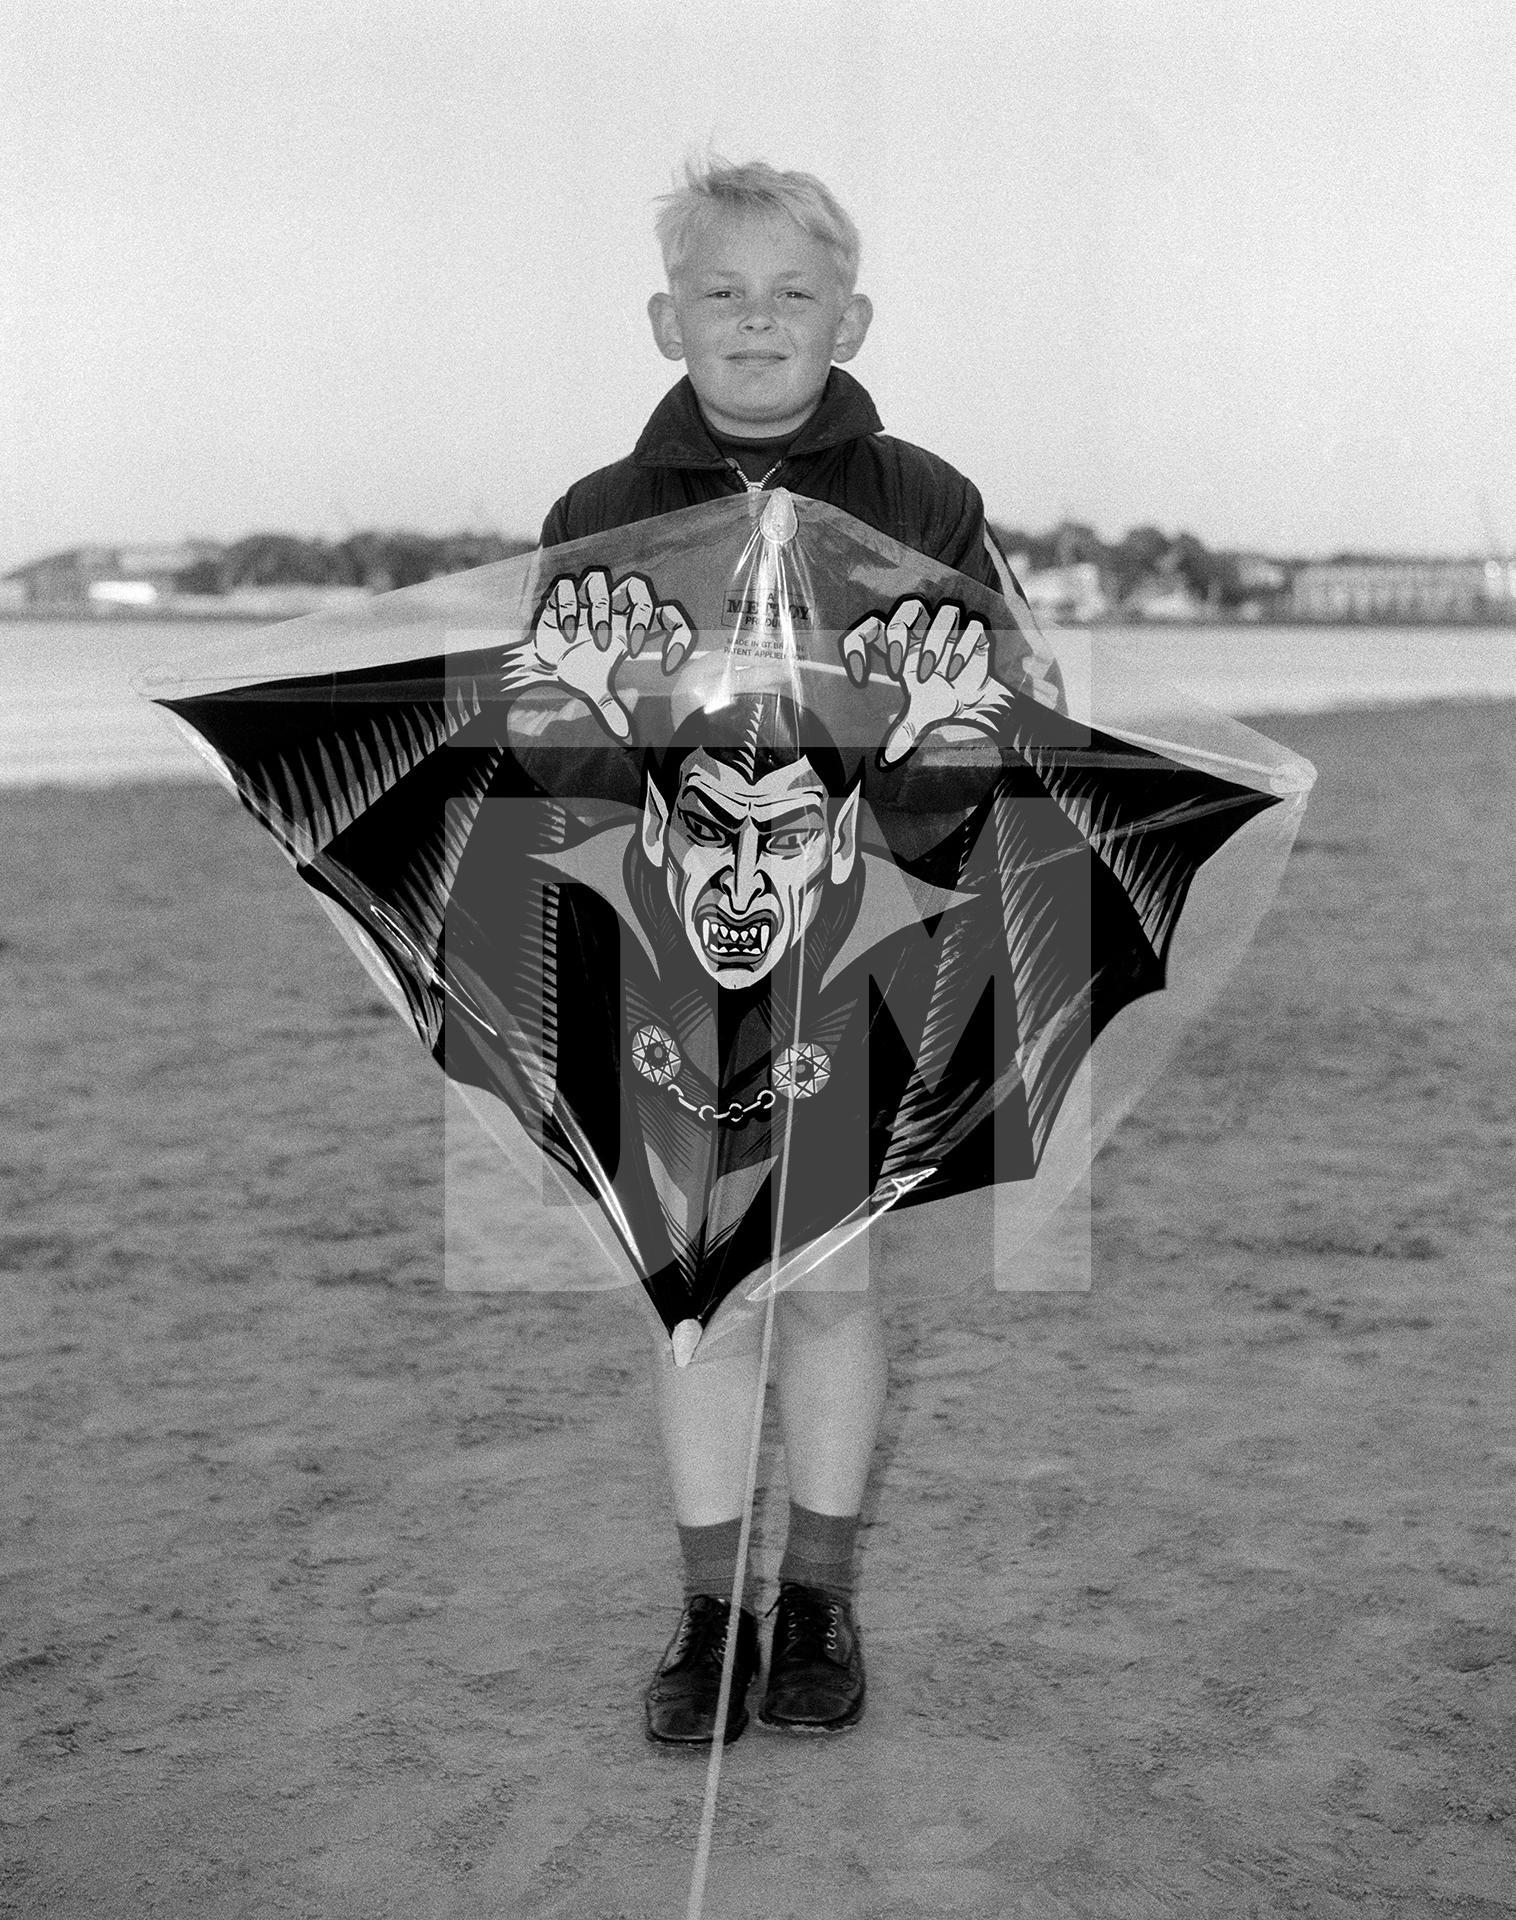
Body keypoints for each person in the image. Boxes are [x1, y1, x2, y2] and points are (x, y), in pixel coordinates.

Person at [539, 155, 1007, 1746]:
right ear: (666, 319)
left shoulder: (924, 500)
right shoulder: (597, 516)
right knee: (698, 1298)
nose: (758, 321)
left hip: (863, 935)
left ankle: (815, 1596)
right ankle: (704, 1611)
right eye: (723, 295)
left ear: (850, 316)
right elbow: (557, 779)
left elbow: (986, 739)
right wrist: (594, 715)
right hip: (664, 956)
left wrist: (922, 757)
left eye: (793, 295)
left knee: (826, 1283)